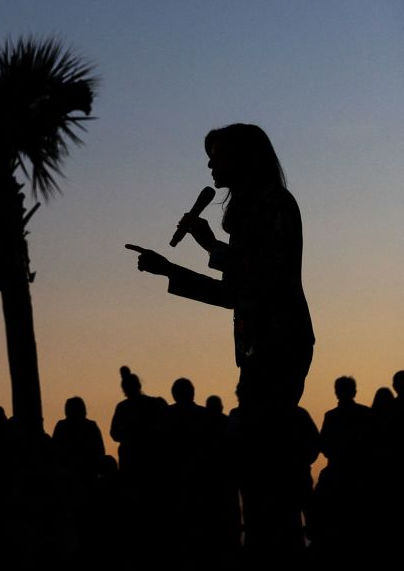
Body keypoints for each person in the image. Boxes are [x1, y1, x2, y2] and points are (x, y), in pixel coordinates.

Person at [128, 123, 314, 409]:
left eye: (217, 155)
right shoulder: (248, 215)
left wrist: (211, 246)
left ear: (243, 158)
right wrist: (169, 269)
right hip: (257, 346)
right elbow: (232, 293)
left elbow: (265, 278)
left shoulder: (276, 204)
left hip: (281, 342)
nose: (210, 163)